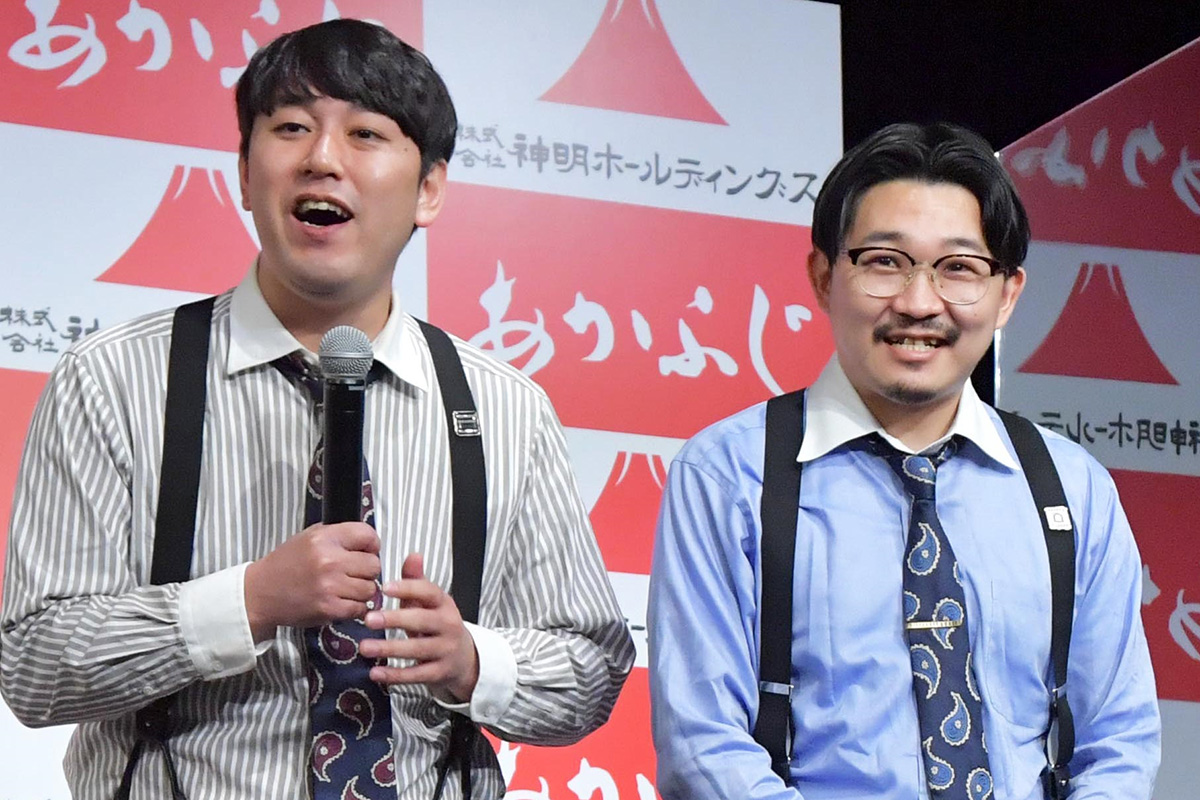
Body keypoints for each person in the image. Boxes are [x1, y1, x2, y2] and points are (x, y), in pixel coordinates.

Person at [0, 19, 634, 799]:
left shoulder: (506, 409)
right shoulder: (112, 379)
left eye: (365, 133)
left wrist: (473, 661)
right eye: (292, 128)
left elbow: (591, 670)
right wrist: (249, 601)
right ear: (243, 172)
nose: (323, 158)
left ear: (429, 189)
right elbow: (33, 665)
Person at [648, 122, 1160, 799]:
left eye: (959, 268)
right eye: (885, 262)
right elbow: (702, 746)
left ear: (1007, 294)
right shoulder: (729, 476)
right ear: (824, 276)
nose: (919, 303)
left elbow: (1118, 742)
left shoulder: (1071, 488)